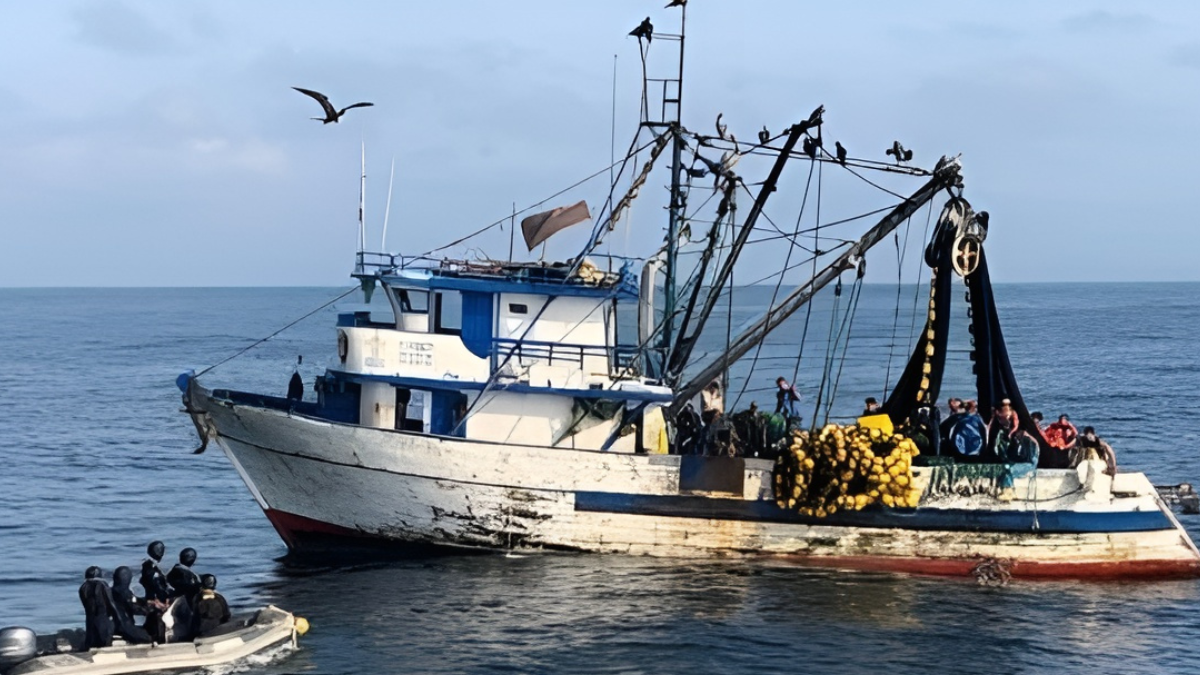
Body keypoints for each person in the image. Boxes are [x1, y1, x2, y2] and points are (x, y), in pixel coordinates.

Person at [110, 566, 153, 644]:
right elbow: (135, 608)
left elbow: (133, 601)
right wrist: (150, 609)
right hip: (125, 627)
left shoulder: (110, 591)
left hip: (114, 625)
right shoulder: (125, 593)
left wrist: (144, 601)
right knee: (149, 637)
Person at [78, 566, 116, 650]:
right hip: (103, 616)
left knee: (91, 636)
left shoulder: (83, 587)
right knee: (105, 637)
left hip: (90, 616)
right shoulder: (103, 585)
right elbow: (110, 602)